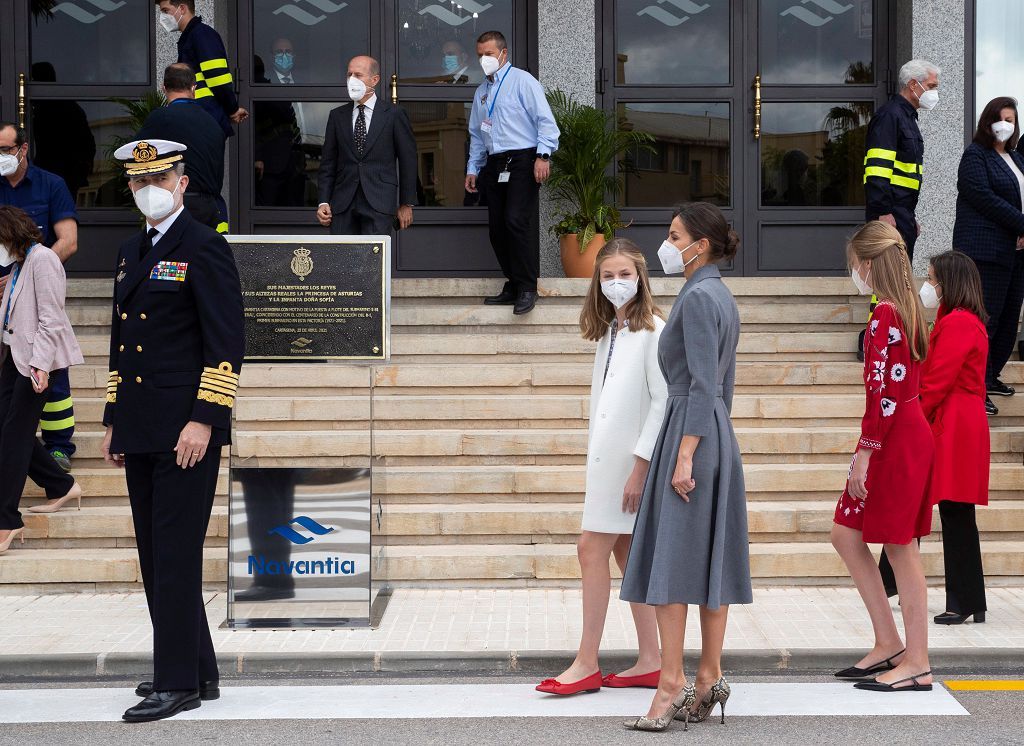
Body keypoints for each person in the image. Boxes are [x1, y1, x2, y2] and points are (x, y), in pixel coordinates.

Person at [104, 139, 244, 722]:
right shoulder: (132, 249)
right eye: (138, 182)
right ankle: (196, 669)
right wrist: (114, 419)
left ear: (183, 182)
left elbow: (227, 343)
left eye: (158, 178)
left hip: (185, 429)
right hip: (141, 425)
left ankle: (176, 681)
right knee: (154, 554)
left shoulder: (204, 246)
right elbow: (120, 346)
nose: (148, 189)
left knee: (176, 556)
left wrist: (205, 419)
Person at [619, 202, 749, 732]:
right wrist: (712, 438)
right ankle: (708, 675)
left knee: (671, 565)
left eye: (675, 236)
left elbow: (700, 382)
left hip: (689, 430)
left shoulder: (697, 299)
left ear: (701, 245)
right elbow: (724, 386)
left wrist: (687, 451)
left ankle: (671, 681)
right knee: (710, 561)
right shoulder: (720, 294)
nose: (666, 244)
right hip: (713, 429)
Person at [536, 239, 666, 697]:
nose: (616, 283)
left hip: (629, 469)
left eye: (624, 274)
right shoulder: (612, 331)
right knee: (625, 554)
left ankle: (587, 663)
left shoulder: (654, 330)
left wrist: (640, 469)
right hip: (608, 464)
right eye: (607, 276)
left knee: (590, 548)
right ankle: (652, 659)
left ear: (641, 277)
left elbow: (663, 403)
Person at [832, 221, 934, 693]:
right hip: (901, 432)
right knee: (846, 533)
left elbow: (883, 392)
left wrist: (867, 451)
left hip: (894, 438)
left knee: (901, 549)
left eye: (855, 265)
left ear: (869, 264)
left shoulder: (885, 315)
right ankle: (890, 642)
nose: (855, 273)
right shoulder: (906, 308)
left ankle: (916, 661)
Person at [0, 205, 83, 556]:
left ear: (10, 234)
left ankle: (6, 520)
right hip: (14, 359)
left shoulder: (44, 259)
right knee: (8, 434)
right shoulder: (20, 264)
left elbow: (51, 319)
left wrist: (40, 367)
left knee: (13, 442)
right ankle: (61, 484)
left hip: (36, 363)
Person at [0, 122, 79, 472]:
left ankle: (59, 447)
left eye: (5, 150)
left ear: (23, 148)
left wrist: (26, 272)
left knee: (50, 369)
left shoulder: (51, 185)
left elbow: (68, 240)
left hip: (36, 293)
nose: (0, 158)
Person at [918, 251, 990, 624]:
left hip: (954, 423)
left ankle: (962, 601)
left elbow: (937, 380)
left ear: (950, 283)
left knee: (955, 510)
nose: (929, 286)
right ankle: (967, 600)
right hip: (957, 420)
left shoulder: (958, 322)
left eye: (933, 279)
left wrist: (915, 417)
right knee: (954, 511)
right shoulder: (958, 319)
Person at [465, 30, 559, 316]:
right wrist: (473, 168)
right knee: (497, 228)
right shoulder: (481, 93)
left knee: (517, 221)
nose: (484, 60)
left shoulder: (522, 81)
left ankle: (528, 287)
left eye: (489, 54)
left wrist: (543, 156)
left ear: (503, 54)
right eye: (480, 55)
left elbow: (545, 121)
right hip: (494, 163)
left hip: (523, 159)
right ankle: (514, 283)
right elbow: (478, 135)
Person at [858, 59, 940, 359]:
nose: (933, 93)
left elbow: (905, 174)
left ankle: (888, 334)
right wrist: (883, 213)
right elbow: (877, 168)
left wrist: (909, 216)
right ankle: (872, 339)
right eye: (931, 86)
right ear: (913, 85)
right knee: (886, 279)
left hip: (901, 212)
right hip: (889, 213)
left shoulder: (907, 117)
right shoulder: (891, 116)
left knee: (897, 279)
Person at [952, 96, 1024, 417]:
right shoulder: (975, 156)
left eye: (1011, 119)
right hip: (985, 252)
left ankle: (991, 375)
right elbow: (983, 197)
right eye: (1001, 118)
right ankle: (974, 386)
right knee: (985, 320)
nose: (1006, 125)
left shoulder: (1016, 159)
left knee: (1008, 319)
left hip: (1015, 253)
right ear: (988, 121)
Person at [317, 56, 417, 235]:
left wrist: (406, 203)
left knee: (374, 259)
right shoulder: (337, 116)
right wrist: (323, 201)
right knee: (342, 259)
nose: (352, 80)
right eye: (349, 75)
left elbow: (408, 160)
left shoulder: (394, 114)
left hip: (379, 201)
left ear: (375, 80)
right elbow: (328, 163)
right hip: (342, 203)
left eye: (358, 75)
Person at [137, 64, 228, 234]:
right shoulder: (213, 123)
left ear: (164, 88)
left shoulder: (160, 118)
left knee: (172, 259)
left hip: (174, 205)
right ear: (194, 87)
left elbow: (136, 158)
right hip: (209, 208)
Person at [155, 0, 248, 139]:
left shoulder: (202, 34)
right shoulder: (191, 36)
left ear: (182, 8)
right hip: (200, 118)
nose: (162, 16)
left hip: (206, 118)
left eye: (165, 11)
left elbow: (218, 77)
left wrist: (232, 109)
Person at [254, 55, 306, 208]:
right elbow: (252, 124)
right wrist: (257, 156)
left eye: (288, 52)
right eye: (279, 53)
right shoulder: (263, 88)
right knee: (268, 208)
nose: (284, 56)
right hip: (270, 163)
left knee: (295, 206)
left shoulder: (303, 83)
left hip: (296, 162)